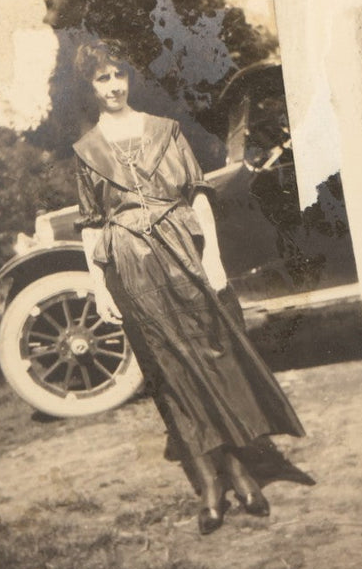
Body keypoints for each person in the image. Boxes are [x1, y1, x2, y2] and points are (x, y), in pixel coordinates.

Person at [71, 44, 305, 534]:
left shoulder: (166, 131)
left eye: (118, 75)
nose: (113, 86)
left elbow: (198, 199)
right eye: (101, 79)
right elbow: (92, 227)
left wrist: (213, 261)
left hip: (184, 258)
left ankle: (240, 466)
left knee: (214, 360)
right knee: (169, 374)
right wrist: (101, 289)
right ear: (89, 87)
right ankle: (213, 484)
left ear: (128, 78)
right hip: (132, 271)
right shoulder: (86, 151)